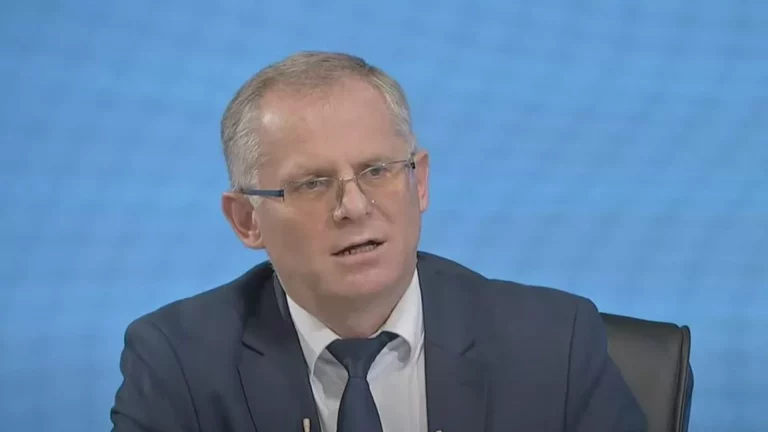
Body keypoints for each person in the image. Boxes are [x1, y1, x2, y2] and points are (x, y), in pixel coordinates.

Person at [110, 51, 646, 432]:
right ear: (247, 219)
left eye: (377, 170)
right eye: (312, 183)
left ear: (421, 182)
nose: (354, 206)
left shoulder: (554, 344)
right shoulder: (178, 362)